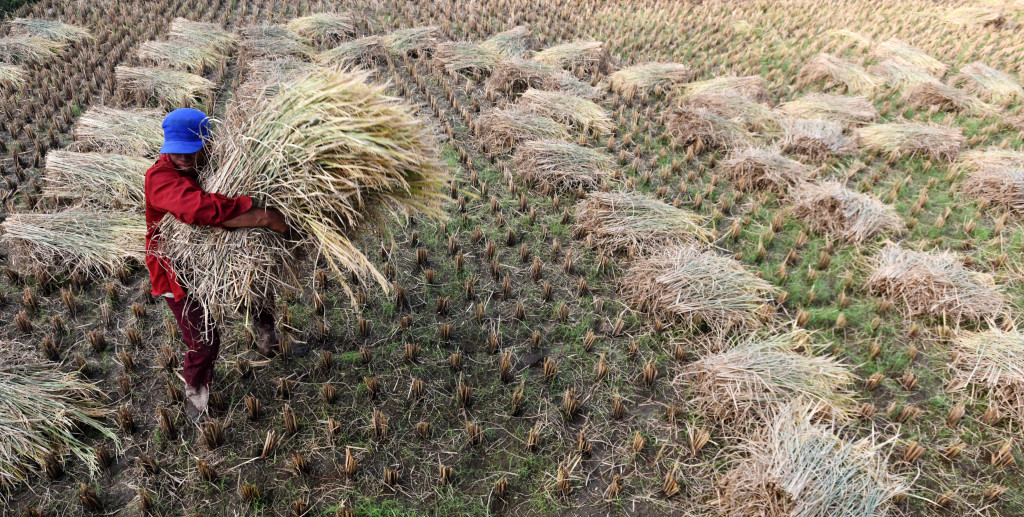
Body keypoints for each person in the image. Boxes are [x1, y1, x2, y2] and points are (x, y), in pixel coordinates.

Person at [144, 108, 287, 421]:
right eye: (177, 150)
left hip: (219, 257)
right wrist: (262, 216)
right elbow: (198, 209)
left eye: (191, 150)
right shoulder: (159, 178)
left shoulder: (211, 162)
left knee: (259, 290)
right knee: (203, 339)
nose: (183, 157)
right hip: (177, 269)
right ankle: (195, 396)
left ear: (205, 143)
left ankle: (269, 342)